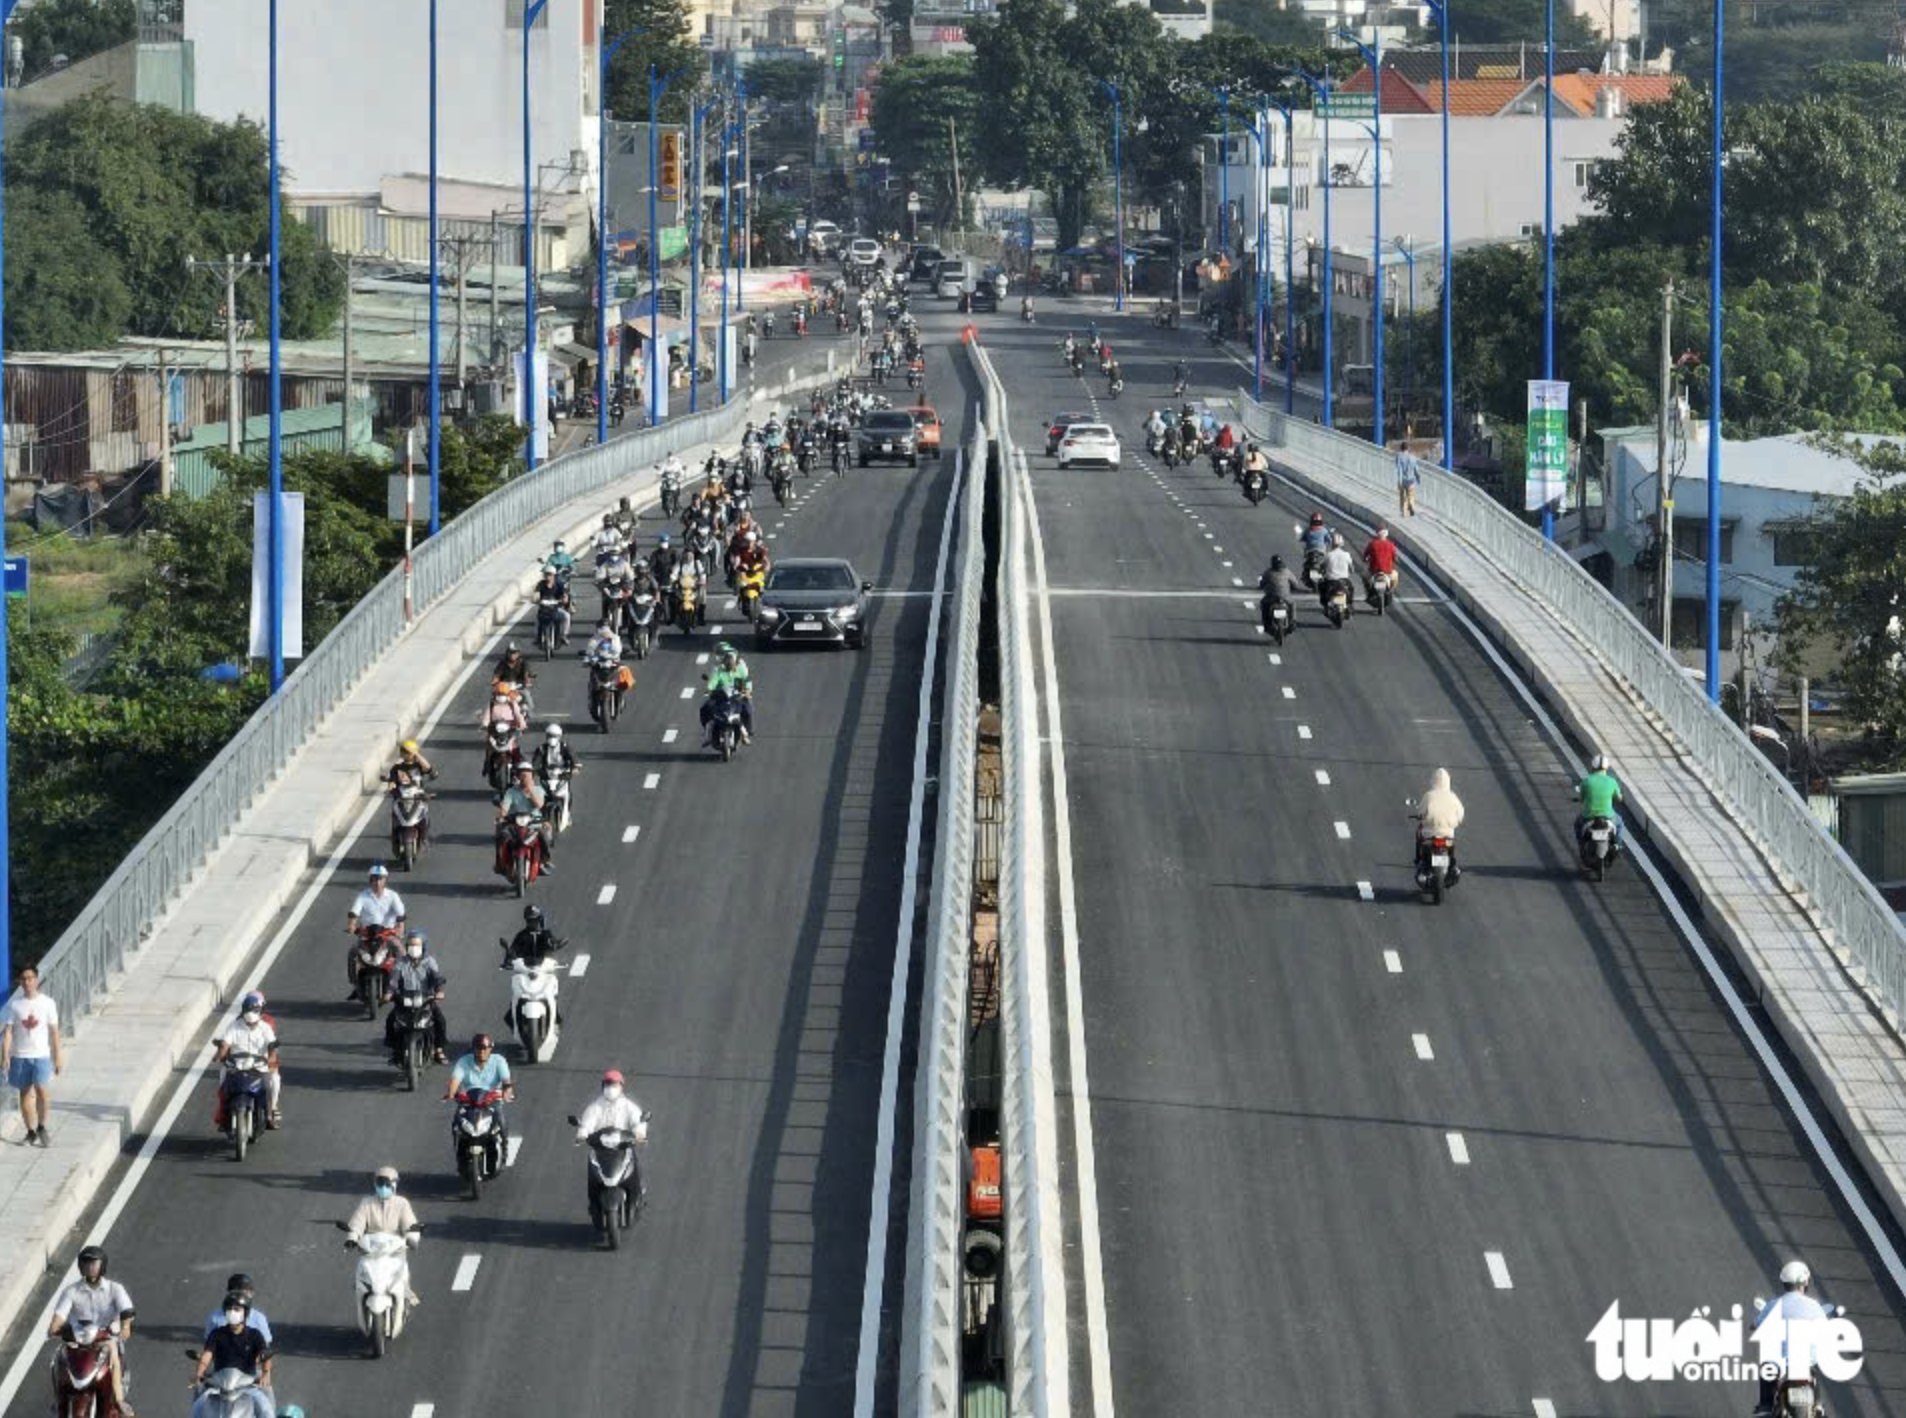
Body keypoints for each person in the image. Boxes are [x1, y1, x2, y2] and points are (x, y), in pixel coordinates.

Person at [1753, 1261, 1830, 1416]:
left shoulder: (1774, 1305)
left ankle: (1765, 1406)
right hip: (1806, 1360)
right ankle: (1818, 1405)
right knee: (1813, 1368)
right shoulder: (1814, 1306)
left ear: (1784, 1283)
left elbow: (1757, 1325)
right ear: (1805, 1282)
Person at [574, 1069, 650, 1217]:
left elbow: (638, 1121)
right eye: (608, 1084)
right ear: (602, 1086)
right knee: (592, 1174)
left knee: (634, 1164)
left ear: (621, 1086)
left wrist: (640, 1133)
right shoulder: (595, 1106)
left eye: (614, 1084)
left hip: (622, 1147)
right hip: (600, 1149)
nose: (611, 1088)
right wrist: (581, 1134)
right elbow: (586, 1124)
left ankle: (638, 1192)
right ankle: (594, 1204)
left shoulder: (629, 1106)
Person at [344, 1166, 422, 1308]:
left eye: (387, 1185)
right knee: (362, 1274)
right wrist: (352, 1238)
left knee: (402, 1273)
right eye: (380, 1185)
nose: (383, 1188)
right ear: (375, 1184)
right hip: (371, 1248)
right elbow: (357, 1223)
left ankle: (406, 1293)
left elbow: (410, 1224)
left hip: (395, 1249)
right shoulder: (367, 1203)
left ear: (394, 1185)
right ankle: (361, 1290)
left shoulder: (401, 1203)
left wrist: (412, 1238)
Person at [3, 965, 61, 1148]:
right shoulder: (15, 1005)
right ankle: (30, 1132)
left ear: (36, 980)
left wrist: (58, 1056)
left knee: (43, 1092)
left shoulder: (48, 1003)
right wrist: (4, 1055)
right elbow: (9, 1032)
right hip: (20, 1056)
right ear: (20, 982)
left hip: (41, 1055)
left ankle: (42, 1127)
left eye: (30, 978)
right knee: (25, 1094)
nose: (27, 982)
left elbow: (54, 1032)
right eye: (23, 979)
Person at [213, 991, 282, 1129]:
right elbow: (225, 1044)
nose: (251, 1025)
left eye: (254, 1023)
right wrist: (220, 1055)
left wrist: (272, 1059)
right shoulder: (234, 1026)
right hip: (236, 1066)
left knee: (273, 1081)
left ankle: (271, 1111)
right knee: (223, 1083)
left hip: (259, 1066)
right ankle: (224, 1114)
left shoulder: (265, 1027)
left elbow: (272, 1046)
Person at [192, 1292, 272, 1408]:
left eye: (236, 1309)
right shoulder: (216, 1334)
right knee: (199, 1401)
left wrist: (265, 1374)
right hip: (219, 1384)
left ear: (245, 1312)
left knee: (266, 1402)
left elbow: (265, 1355)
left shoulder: (255, 1335)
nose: (232, 1312)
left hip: (248, 1384)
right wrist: (199, 1373)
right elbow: (206, 1355)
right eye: (229, 1309)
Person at [385, 930, 448, 1065]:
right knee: (390, 1021)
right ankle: (395, 1050)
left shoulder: (429, 961)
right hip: (404, 1000)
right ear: (407, 947)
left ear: (423, 947)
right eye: (411, 945)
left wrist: (439, 991)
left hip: (425, 1000)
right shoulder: (401, 962)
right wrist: (389, 993)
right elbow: (393, 980)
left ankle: (439, 1049)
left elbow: (437, 978)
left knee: (440, 1021)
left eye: (417, 946)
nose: (414, 949)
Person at [444, 1033, 514, 1143]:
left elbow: (506, 1081)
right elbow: (455, 1081)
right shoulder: (463, 1061)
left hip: (492, 1097)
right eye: (478, 1048)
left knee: (499, 1116)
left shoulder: (499, 1061)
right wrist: (451, 1093)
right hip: (469, 1099)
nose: (482, 1052)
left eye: (485, 1048)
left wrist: (507, 1092)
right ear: (473, 1049)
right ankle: (457, 1144)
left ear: (490, 1048)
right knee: (456, 1120)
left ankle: (505, 1144)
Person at [496, 763, 555, 873]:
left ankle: (544, 860)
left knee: (544, 835)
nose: (523, 778)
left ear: (532, 776)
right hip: (514, 823)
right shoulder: (511, 791)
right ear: (517, 776)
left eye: (526, 775)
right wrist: (501, 817)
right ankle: (500, 862)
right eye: (521, 775)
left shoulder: (538, 789)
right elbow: (504, 807)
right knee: (502, 836)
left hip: (534, 823)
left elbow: (539, 805)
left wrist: (530, 791)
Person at [1416, 767, 1466, 882]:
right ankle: (1452, 866)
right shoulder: (1453, 797)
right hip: (1447, 833)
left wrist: (1421, 817)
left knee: (1422, 841)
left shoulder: (1428, 796)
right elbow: (1460, 813)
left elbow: (1421, 812)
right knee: (1450, 846)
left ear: (1433, 781)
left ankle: (1424, 867)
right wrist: (1455, 822)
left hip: (1430, 832)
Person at [701, 641, 754, 746]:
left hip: (737, 696)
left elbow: (747, 681)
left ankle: (747, 731)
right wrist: (709, 689)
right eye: (727, 662)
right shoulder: (719, 670)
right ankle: (707, 735)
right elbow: (712, 683)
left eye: (731, 662)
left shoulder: (741, 668)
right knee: (705, 708)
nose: (730, 664)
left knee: (747, 710)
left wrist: (747, 691)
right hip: (720, 696)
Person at [203, 1275, 271, 1347]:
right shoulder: (215, 1318)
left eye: (244, 1292)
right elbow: (210, 1344)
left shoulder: (259, 1319)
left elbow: (264, 1346)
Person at [346, 864, 406, 942]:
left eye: (380, 879)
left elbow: (400, 914)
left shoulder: (393, 896)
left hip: (388, 934)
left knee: (400, 950)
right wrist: (351, 925)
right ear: (370, 880)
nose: (378, 883)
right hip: (367, 934)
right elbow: (354, 912)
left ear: (385, 880)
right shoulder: (362, 896)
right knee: (354, 951)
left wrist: (400, 929)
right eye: (375, 879)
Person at [1576, 752, 1624, 846]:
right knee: (1620, 824)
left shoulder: (1586, 781)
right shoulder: (1612, 781)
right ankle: (1618, 845)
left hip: (1589, 815)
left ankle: (1581, 844)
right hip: (1608, 815)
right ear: (1607, 767)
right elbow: (1618, 799)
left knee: (1577, 825)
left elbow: (1581, 799)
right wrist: (1620, 797)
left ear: (1593, 767)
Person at [532, 566, 573, 648]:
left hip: (556, 608)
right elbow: (536, 594)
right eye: (546, 574)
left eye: (550, 575)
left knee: (567, 616)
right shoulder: (541, 584)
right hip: (544, 608)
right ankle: (537, 637)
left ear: (554, 575)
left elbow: (565, 595)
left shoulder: (559, 584)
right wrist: (536, 599)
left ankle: (563, 636)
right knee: (537, 620)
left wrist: (564, 599)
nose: (548, 577)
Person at [1258, 555, 1300, 632]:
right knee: (1292, 604)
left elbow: (1262, 583)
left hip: (1271, 597)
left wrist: (1262, 586)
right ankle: (1293, 621)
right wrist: (1293, 588)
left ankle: (1266, 623)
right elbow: (1295, 583)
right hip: (1285, 597)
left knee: (1263, 604)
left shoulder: (1268, 572)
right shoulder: (1287, 571)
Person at [1361, 524, 1399, 600]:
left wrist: (1365, 559)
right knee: (1395, 576)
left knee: (1364, 577)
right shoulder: (1391, 545)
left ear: (1377, 534)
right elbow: (1395, 558)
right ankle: (1391, 591)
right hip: (1387, 572)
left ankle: (1368, 592)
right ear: (1386, 534)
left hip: (1373, 571)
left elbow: (1365, 556)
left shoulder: (1372, 544)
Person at [1319, 532, 1355, 610]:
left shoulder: (1328, 555)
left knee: (1321, 587)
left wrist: (1321, 571)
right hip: (1344, 581)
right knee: (1351, 589)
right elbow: (1352, 569)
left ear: (1332, 544)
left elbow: (1322, 566)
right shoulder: (1346, 555)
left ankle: (1325, 605)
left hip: (1331, 581)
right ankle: (1350, 604)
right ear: (1342, 544)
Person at [1395, 442, 1421, 516]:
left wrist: (1399, 481)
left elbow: (1399, 470)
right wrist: (1418, 477)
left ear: (1401, 448)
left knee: (1402, 496)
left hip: (1403, 480)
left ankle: (1403, 511)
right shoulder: (1413, 457)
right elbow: (1416, 469)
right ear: (1408, 448)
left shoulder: (1399, 456)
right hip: (1411, 480)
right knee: (1411, 495)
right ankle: (1411, 505)